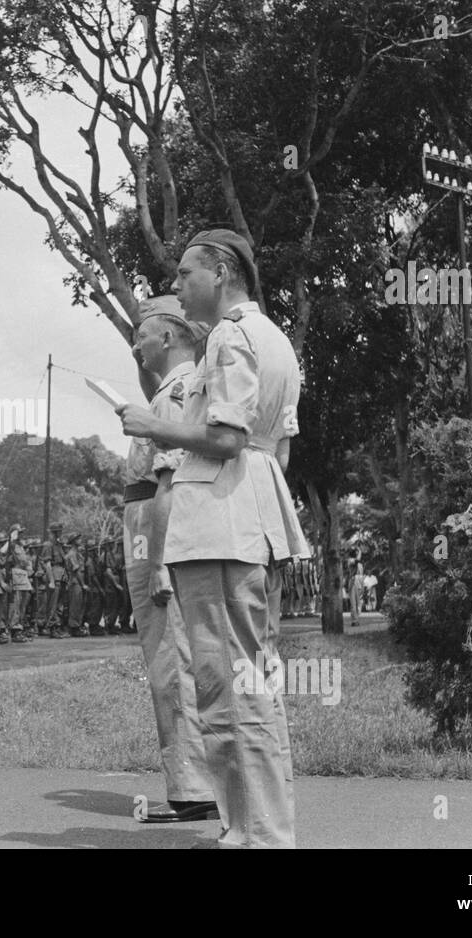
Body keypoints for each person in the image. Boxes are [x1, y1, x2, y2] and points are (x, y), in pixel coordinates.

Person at [119, 228, 310, 848]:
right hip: (250, 517)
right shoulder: (274, 338)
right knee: (251, 685)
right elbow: (274, 445)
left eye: (185, 274)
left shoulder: (229, 335)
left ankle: (255, 838)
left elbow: (227, 439)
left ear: (222, 272)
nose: (176, 286)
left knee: (229, 694)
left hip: (220, 525)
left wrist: (157, 425)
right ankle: (259, 830)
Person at [120, 295, 216, 824]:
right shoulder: (165, 392)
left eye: (142, 333)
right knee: (171, 656)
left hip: (156, 527)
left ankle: (193, 787)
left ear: (169, 337)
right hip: (148, 523)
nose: (135, 343)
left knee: (171, 658)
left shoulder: (175, 393)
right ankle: (194, 782)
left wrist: (157, 559)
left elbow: (168, 482)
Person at [5, 525, 33, 643]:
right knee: (15, 605)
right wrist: (11, 538)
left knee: (23, 604)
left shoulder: (20, 546)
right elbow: (3, 552)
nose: (22, 535)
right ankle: (15, 630)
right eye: (19, 533)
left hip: (23, 575)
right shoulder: (10, 545)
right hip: (15, 575)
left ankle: (20, 627)